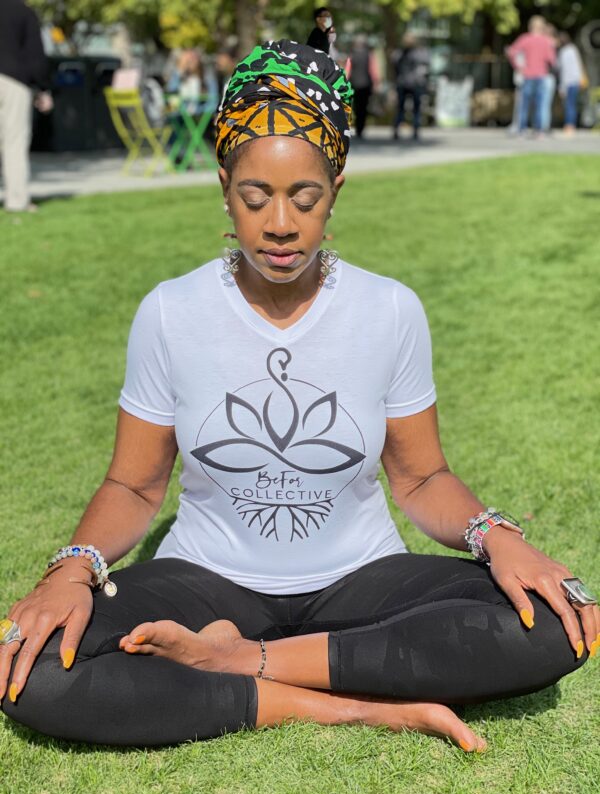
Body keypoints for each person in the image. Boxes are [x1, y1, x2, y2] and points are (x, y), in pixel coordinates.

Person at [1, 40, 598, 751]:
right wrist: (74, 569)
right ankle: (357, 703)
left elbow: (421, 476)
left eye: (303, 197)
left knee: (549, 623)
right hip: (207, 580)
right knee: (31, 669)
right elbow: (133, 485)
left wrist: (495, 537)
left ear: (336, 186)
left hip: (361, 579)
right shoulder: (170, 310)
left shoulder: (390, 310)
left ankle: (242, 668)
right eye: (255, 197)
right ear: (224, 185)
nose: (279, 224)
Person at [0, 0, 53, 213]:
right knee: (14, 142)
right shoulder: (24, 13)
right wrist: (42, 88)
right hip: (14, 81)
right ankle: (17, 200)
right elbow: (35, 54)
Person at [506, 16, 556, 136]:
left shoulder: (525, 39)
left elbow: (511, 52)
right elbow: (552, 60)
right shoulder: (546, 41)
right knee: (540, 104)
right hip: (541, 75)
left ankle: (522, 129)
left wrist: (518, 66)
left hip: (527, 75)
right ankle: (538, 130)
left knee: (524, 104)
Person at [392, 34, 430, 141]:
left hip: (402, 82)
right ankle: (416, 131)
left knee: (400, 108)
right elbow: (425, 65)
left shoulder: (399, 53)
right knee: (416, 109)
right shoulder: (419, 53)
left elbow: (394, 65)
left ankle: (396, 129)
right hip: (415, 83)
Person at [345, 35, 380, 139]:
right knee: (363, 107)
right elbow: (373, 70)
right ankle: (361, 128)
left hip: (353, 84)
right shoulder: (369, 55)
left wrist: (345, 82)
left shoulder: (352, 55)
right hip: (366, 85)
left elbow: (347, 70)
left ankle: (355, 126)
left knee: (354, 106)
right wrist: (376, 83)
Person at [557, 32, 585, 136]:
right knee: (573, 104)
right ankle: (572, 124)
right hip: (575, 81)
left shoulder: (563, 52)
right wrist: (581, 79)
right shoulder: (573, 49)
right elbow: (578, 65)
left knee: (569, 105)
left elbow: (563, 71)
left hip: (568, 82)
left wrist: (562, 87)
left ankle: (569, 125)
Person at [540, 23, 559, 133]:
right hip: (547, 76)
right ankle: (544, 126)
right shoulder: (550, 43)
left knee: (543, 103)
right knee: (545, 103)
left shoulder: (548, 43)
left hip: (545, 76)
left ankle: (543, 126)